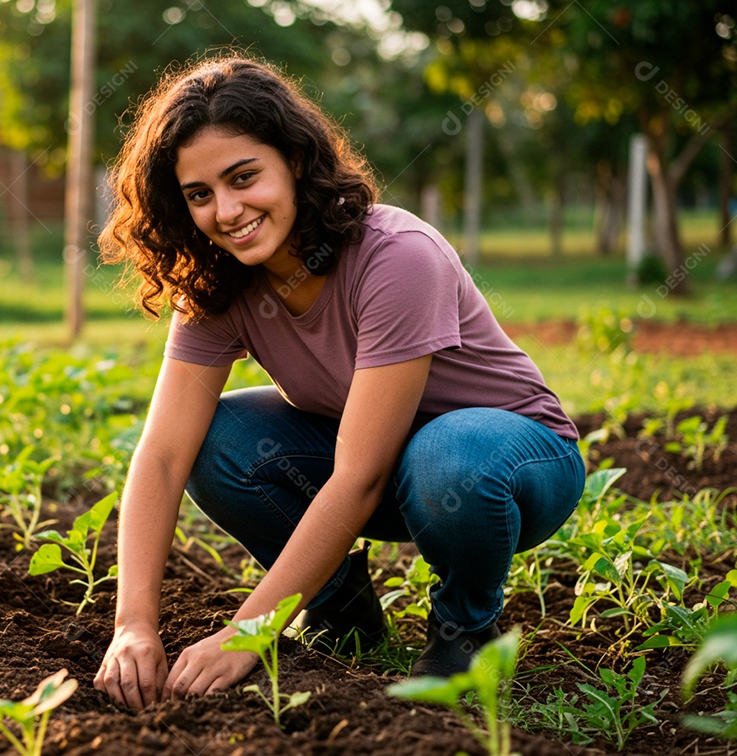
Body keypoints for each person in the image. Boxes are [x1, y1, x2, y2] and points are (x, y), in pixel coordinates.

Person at [92, 54, 585, 711]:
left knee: (447, 452)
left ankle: (464, 629)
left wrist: (249, 633)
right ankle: (340, 607)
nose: (227, 210)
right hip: (386, 473)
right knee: (217, 440)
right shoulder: (217, 286)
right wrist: (133, 625)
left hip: (508, 466)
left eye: (244, 177)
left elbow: (360, 476)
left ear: (296, 161)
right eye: (200, 194)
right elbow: (160, 456)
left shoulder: (396, 256)